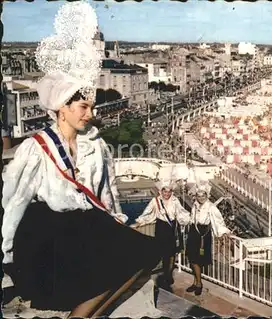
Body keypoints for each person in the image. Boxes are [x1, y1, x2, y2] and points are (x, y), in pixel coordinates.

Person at [1, 2, 160, 317]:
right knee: (111, 258)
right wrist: (5, 253)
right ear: (62, 108)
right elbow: (14, 201)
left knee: (149, 252)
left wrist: (117, 221)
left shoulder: (95, 146)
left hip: (85, 226)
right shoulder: (37, 147)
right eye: (83, 108)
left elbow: (106, 193)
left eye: (92, 106)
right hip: (47, 232)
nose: (92, 114)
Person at [131, 181, 189, 290]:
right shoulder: (155, 201)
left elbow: (181, 212)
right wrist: (139, 222)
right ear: (161, 191)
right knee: (161, 252)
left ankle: (168, 275)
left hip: (172, 228)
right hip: (161, 227)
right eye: (165, 191)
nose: (167, 194)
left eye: (169, 191)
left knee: (171, 252)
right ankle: (163, 273)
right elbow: (148, 213)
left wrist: (186, 220)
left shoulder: (175, 200)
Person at [185, 182, 231, 296]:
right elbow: (192, 218)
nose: (201, 198)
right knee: (192, 258)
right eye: (199, 196)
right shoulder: (195, 205)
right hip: (193, 232)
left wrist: (223, 232)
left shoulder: (211, 207)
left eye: (203, 196)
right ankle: (196, 282)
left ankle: (199, 283)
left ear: (207, 196)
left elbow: (218, 221)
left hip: (203, 234)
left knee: (197, 260)